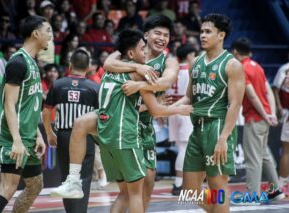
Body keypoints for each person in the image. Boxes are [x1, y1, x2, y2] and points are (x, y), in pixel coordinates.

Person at [50, 29, 193, 213]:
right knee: (135, 194)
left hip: (105, 135)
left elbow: (112, 63)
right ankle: (73, 182)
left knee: (80, 123)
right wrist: (178, 109)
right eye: (143, 49)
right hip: (124, 135)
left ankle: (73, 179)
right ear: (132, 53)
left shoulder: (110, 68)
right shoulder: (140, 73)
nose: (146, 53)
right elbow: (156, 110)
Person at [103, 15, 179, 209]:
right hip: (124, 126)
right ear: (146, 35)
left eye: (166, 35)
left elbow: (166, 82)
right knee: (129, 192)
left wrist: (138, 85)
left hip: (145, 127)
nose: (162, 38)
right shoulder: (127, 55)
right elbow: (107, 64)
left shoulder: (169, 61)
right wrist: (138, 67)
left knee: (147, 188)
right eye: (157, 33)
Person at [173, 13, 245, 212]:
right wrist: (165, 110)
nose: (202, 35)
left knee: (218, 186)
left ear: (221, 35)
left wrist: (223, 138)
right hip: (198, 128)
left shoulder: (232, 65)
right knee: (190, 190)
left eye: (207, 32)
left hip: (218, 127)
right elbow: (189, 97)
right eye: (201, 31)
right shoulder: (195, 62)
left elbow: (235, 105)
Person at [0, 15, 51, 213]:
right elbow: (9, 105)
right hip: (13, 138)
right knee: (7, 188)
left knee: (35, 185)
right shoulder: (18, 63)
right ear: (36, 34)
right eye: (48, 31)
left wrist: (38, 134)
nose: (51, 36)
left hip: (28, 137)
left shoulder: (33, 64)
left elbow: (30, 106)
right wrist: (16, 140)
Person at [43, 49, 98, 213]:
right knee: (84, 178)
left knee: (67, 177)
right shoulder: (95, 87)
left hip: (64, 136)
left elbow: (46, 111)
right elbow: (101, 116)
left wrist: (49, 133)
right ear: (88, 66)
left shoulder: (58, 84)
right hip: (85, 138)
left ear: (70, 65)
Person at [231, 37, 285, 201]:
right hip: (264, 117)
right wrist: (271, 113)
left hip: (255, 118)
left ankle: (251, 195)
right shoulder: (258, 67)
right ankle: (276, 191)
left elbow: (252, 97)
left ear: (235, 52)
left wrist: (264, 115)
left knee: (253, 159)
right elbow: (268, 91)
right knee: (264, 155)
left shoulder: (241, 68)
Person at [166, 44, 196, 195]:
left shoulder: (172, 71)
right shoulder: (190, 72)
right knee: (184, 148)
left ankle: (181, 183)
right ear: (190, 55)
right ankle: (179, 184)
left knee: (181, 147)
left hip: (172, 109)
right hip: (184, 109)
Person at [272, 53, 289, 193]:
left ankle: (283, 183)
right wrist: (278, 107)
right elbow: (276, 89)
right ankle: (283, 181)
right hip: (286, 112)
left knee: (287, 150)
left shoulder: (285, 69)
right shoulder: (284, 69)